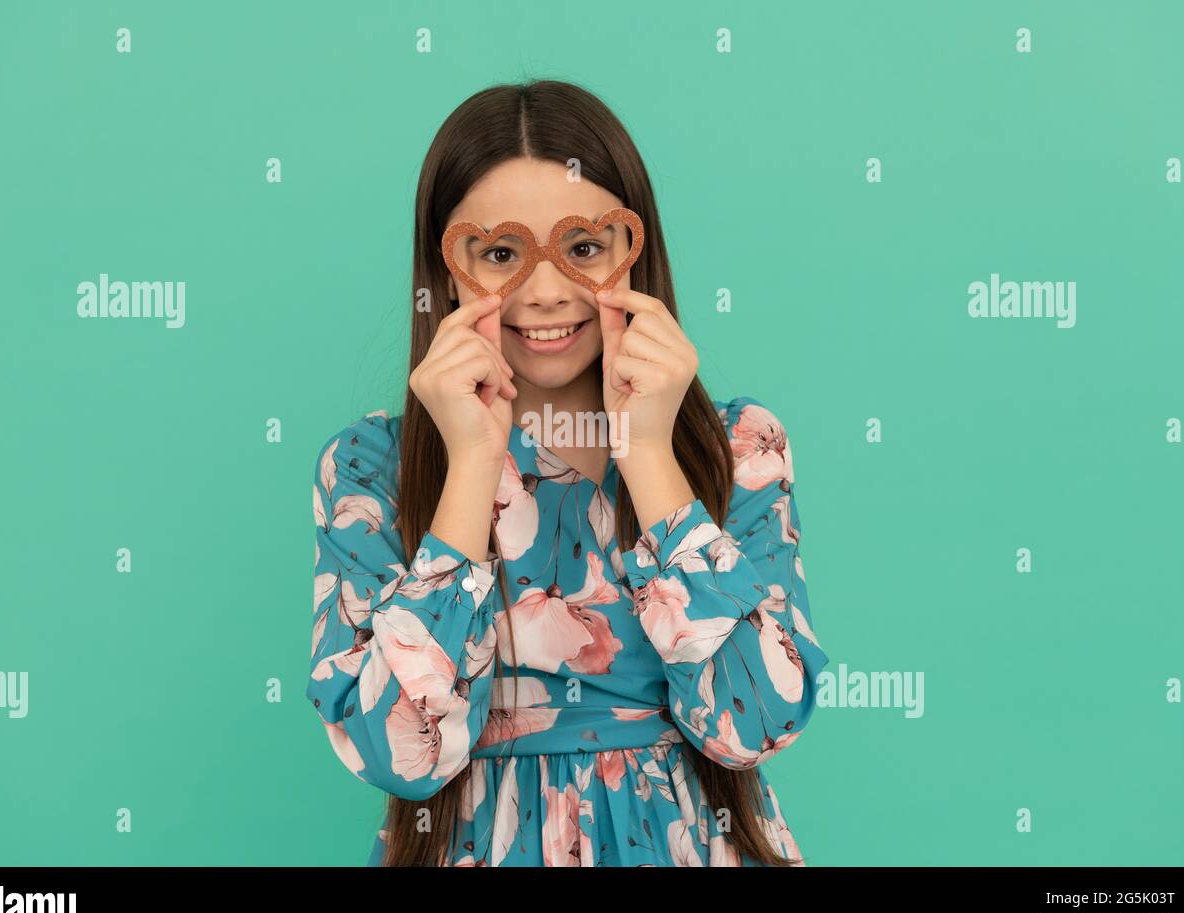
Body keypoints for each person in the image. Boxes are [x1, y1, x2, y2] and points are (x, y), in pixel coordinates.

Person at [307, 79, 829, 866]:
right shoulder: (371, 471)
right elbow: (397, 756)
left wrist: (648, 454)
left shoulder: (739, 447)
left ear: (632, 250)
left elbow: (754, 723)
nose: (545, 291)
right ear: (447, 270)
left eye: (583, 247)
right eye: (500, 254)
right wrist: (473, 465)